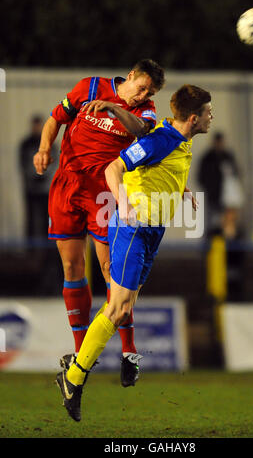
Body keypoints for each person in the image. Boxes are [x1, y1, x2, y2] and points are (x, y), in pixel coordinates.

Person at [55, 84, 213, 421]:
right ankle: (74, 377)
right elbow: (115, 168)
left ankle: (76, 367)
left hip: (152, 231)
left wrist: (179, 188)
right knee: (118, 308)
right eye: (209, 112)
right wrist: (124, 204)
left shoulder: (176, 140)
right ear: (195, 117)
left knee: (123, 310)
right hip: (134, 229)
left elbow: (156, 168)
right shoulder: (162, 139)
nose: (213, 117)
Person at [33, 59, 165, 386]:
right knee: (72, 268)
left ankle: (129, 351)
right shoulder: (90, 87)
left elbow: (140, 129)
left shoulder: (145, 111)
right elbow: (55, 118)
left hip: (104, 193)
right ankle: (81, 356)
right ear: (130, 75)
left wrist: (114, 108)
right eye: (141, 86)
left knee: (112, 272)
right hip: (67, 185)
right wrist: (43, 149)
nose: (143, 94)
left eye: (150, 91)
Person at [20, 115, 58, 244]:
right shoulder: (25, 144)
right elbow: (23, 165)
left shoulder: (51, 143)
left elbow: (55, 163)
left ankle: (48, 247)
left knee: (47, 219)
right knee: (31, 218)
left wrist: (44, 176)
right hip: (31, 189)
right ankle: (30, 247)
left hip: (46, 190)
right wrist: (36, 176)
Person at [197, 132, 242, 233]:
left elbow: (236, 175)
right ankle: (212, 245)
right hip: (213, 198)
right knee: (213, 224)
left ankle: (228, 246)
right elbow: (200, 177)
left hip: (227, 199)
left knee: (228, 225)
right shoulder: (208, 158)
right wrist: (210, 189)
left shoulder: (228, 156)